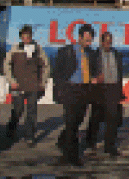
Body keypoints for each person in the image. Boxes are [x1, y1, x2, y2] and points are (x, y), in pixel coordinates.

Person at [53, 24, 96, 166]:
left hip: (85, 91)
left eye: (91, 40)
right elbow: (57, 72)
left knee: (78, 121)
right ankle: (72, 156)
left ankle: (62, 140)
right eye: (87, 40)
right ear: (79, 37)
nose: (89, 43)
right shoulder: (66, 51)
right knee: (71, 123)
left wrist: (94, 78)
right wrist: (60, 89)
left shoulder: (91, 53)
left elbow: (94, 70)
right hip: (70, 90)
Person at [3, 25, 50, 146]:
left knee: (32, 111)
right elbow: (6, 65)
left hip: (33, 86)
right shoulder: (15, 49)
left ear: (31, 36)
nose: (26, 39)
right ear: (21, 37)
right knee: (18, 110)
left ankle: (29, 135)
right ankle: (11, 128)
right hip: (17, 86)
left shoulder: (38, 49)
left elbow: (46, 66)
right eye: (24, 36)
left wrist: (42, 82)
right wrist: (12, 81)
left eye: (28, 36)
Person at [85, 31, 124, 157]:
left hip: (113, 89)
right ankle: (91, 141)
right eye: (106, 41)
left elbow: (119, 73)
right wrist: (94, 78)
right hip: (99, 89)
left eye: (110, 41)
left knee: (112, 118)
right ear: (101, 42)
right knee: (96, 117)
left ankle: (110, 146)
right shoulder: (95, 55)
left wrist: (119, 90)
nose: (108, 44)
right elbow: (88, 71)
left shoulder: (116, 54)